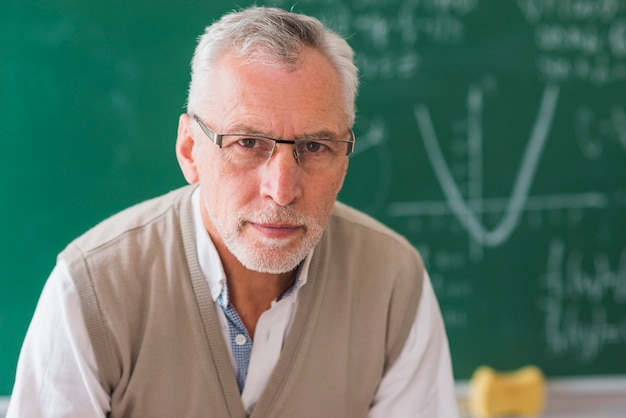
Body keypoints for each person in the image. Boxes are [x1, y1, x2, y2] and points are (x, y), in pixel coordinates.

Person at [7, 6, 459, 418]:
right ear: (190, 150)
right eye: (247, 143)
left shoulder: (394, 283)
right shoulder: (90, 289)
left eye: (316, 146)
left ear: (344, 160)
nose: (282, 191)